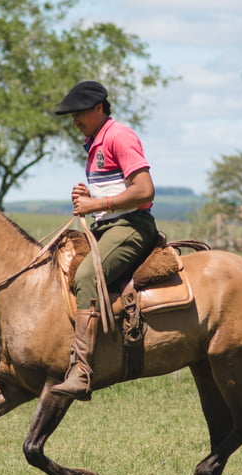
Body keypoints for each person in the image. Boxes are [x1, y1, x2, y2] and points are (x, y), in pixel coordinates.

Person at [50, 80, 159, 400]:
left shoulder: (119, 137)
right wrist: (88, 193)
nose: (74, 121)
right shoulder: (95, 142)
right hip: (107, 225)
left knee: (85, 278)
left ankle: (82, 372)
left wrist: (95, 204)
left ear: (99, 108)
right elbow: (113, 189)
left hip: (131, 225)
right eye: (71, 116)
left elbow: (144, 191)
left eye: (79, 113)